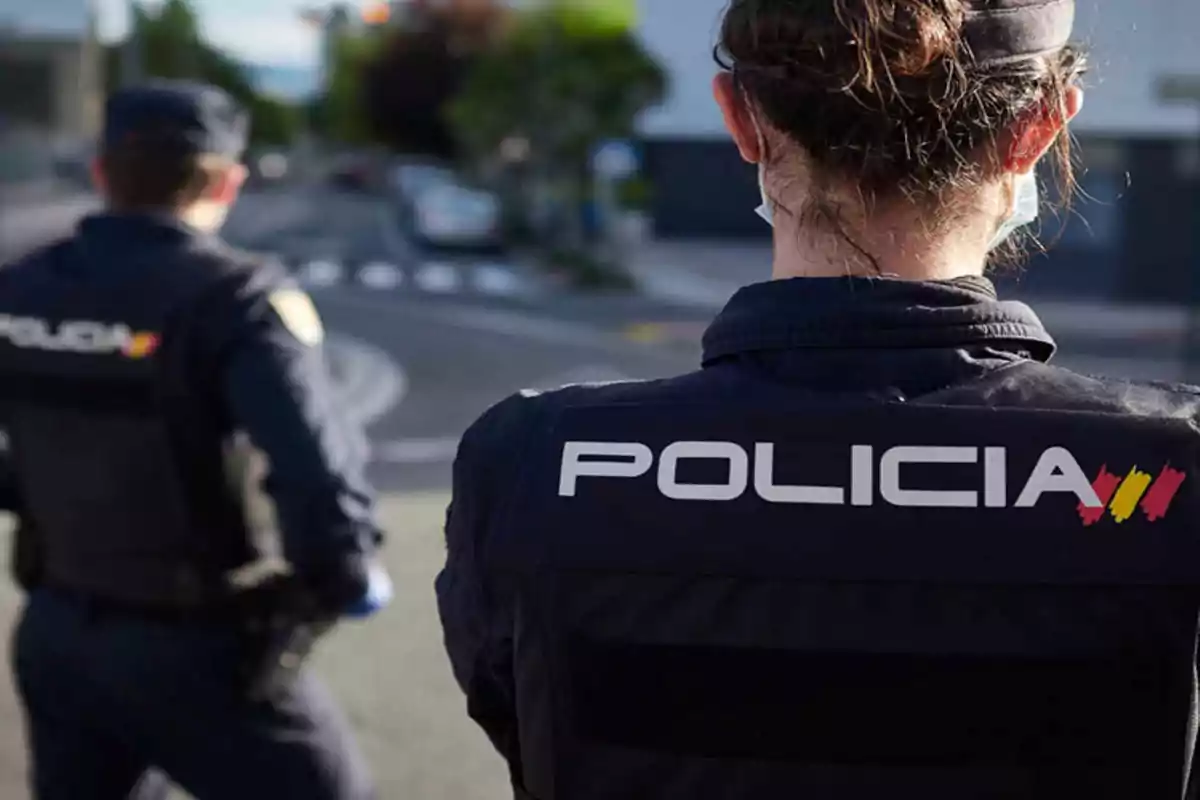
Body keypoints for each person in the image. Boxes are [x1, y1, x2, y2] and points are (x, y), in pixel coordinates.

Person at [436, 1, 1200, 798]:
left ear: (742, 119)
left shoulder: (534, 463)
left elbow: (521, 718)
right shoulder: (1170, 473)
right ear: (1040, 129)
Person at [0, 81, 388, 800]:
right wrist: (335, 578)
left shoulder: (20, 287)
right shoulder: (235, 298)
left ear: (102, 171)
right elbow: (317, 471)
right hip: (201, 645)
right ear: (225, 180)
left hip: (57, 634)